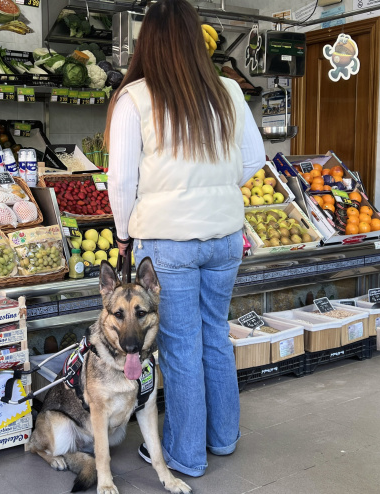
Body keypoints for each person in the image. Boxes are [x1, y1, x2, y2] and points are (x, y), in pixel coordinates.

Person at [104, 0, 266, 478]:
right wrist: (215, 190)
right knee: (215, 334)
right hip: (225, 237)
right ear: (197, 39)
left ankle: (186, 454)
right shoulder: (229, 92)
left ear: (146, 41)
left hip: (168, 238)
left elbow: (120, 181)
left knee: (178, 347)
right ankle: (224, 438)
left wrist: (121, 234)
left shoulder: (135, 97)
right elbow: (255, 160)